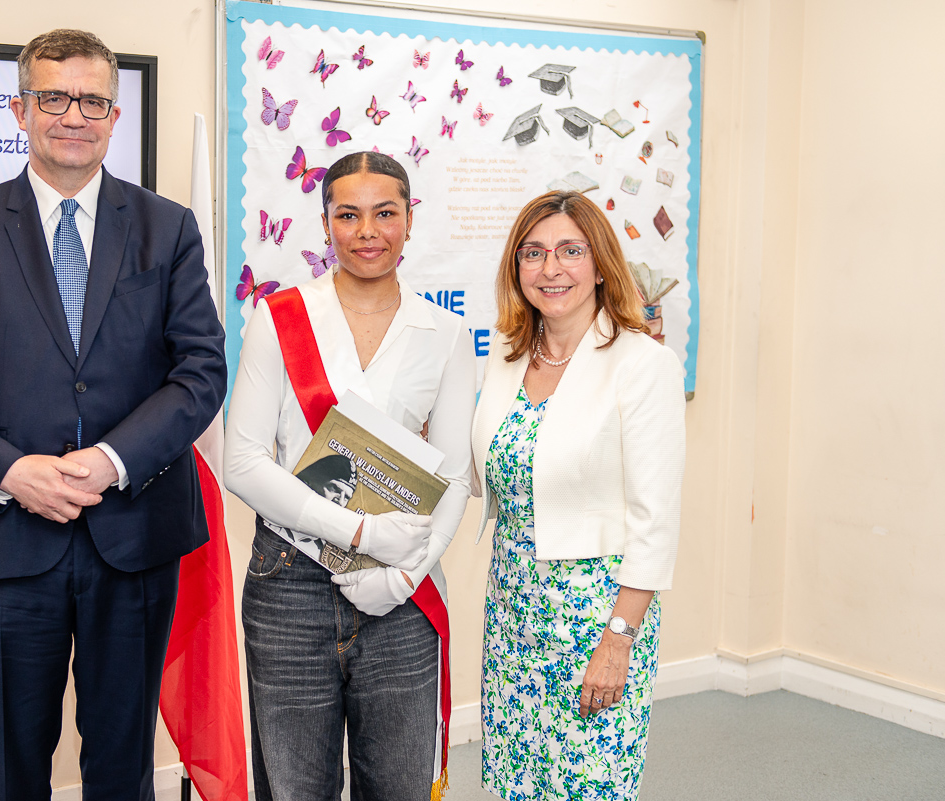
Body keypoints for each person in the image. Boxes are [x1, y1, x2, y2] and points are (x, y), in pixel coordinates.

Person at [0, 29, 226, 801]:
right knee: (11, 769)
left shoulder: (168, 228)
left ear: (114, 115)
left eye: (91, 100)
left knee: (122, 768)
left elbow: (200, 371)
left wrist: (112, 460)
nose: (73, 115)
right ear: (21, 110)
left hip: (136, 540)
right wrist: (13, 471)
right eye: (53, 97)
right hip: (8, 545)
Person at [224, 151, 475, 801]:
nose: (367, 231)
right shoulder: (279, 317)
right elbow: (242, 461)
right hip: (290, 584)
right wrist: (360, 533)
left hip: (402, 588)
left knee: (398, 786)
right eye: (348, 214)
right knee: (295, 788)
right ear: (326, 223)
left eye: (385, 213)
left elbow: (453, 477)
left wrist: (406, 577)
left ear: (410, 219)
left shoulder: (445, 333)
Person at [470, 190, 685, 800]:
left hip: (595, 615)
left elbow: (655, 520)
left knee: (588, 783)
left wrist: (619, 638)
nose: (551, 268)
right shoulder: (508, 357)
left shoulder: (641, 363)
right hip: (513, 606)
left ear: (600, 264)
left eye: (570, 250)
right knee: (519, 780)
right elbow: (487, 469)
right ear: (517, 267)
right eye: (533, 253)